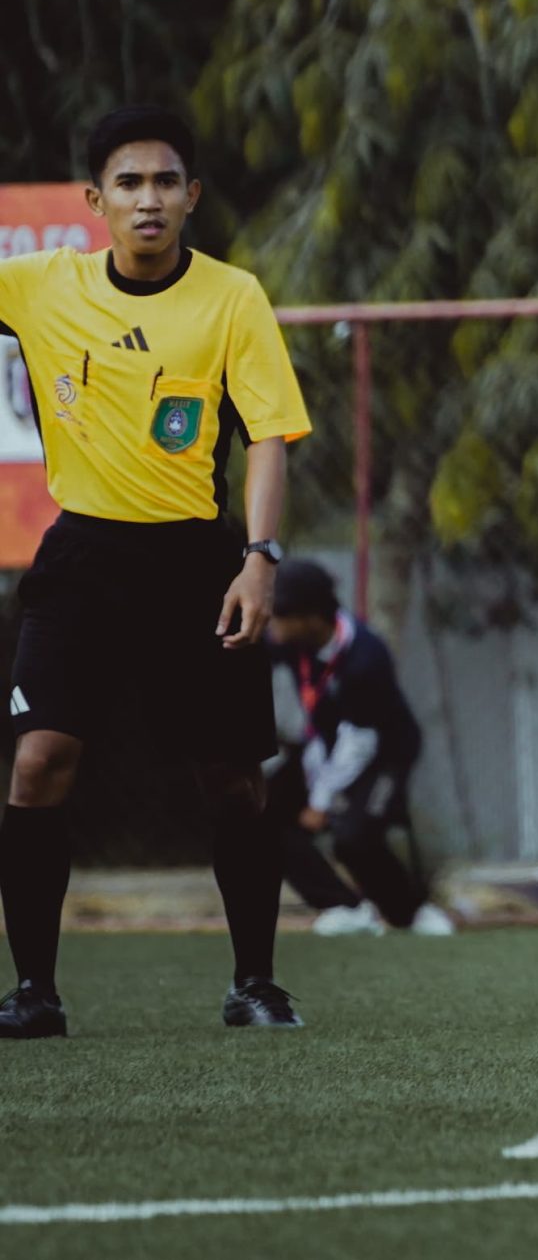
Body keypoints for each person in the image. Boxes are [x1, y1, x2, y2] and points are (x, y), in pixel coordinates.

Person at [0, 105, 313, 1038]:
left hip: (196, 561)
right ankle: (34, 994)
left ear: (192, 198)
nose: (148, 199)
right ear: (95, 200)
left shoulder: (232, 297)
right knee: (38, 763)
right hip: (83, 554)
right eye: (128, 183)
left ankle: (254, 984)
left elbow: (266, 435)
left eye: (165, 182)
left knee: (234, 780)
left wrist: (258, 560)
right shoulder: (38, 285)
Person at [265, 559, 452, 936]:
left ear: (312, 617)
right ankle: (343, 906)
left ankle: (409, 913)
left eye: (281, 615)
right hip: (327, 747)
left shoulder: (365, 657)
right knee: (259, 815)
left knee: (353, 836)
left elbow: (360, 742)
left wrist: (320, 802)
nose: (274, 625)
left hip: (382, 752)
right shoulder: (290, 643)